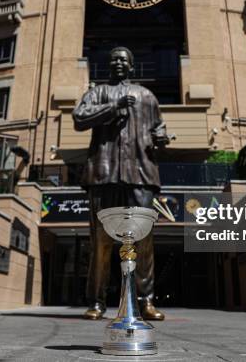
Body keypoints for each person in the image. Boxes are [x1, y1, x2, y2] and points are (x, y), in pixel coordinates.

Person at [73, 47, 168, 321]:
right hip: (104, 174)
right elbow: (79, 119)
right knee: (101, 241)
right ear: (108, 64)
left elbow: (158, 127)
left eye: (123, 59)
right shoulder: (97, 93)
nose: (118, 63)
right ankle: (97, 302)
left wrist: (160, 137)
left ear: (131, 66)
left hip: (141, 174)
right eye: (113, 59)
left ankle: (145, 300)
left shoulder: (146, 96)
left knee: (144, 241)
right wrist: (114, 107)